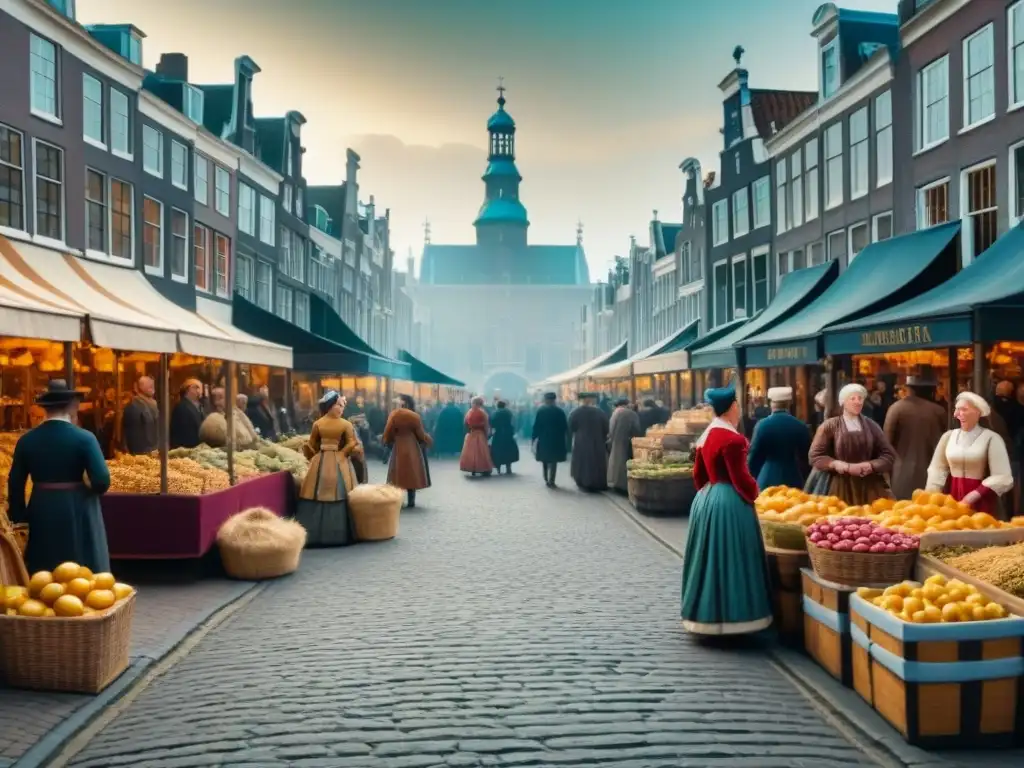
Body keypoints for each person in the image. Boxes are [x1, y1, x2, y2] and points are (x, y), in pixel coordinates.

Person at [681, 385, 772, 638]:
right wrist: (756, 495)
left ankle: (704, 616)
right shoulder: (733, 439)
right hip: (729, 502)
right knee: (736, 555)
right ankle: (738, 618)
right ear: (732, 407)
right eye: (738, 406)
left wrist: (706, 497)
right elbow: (740, 478)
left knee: (706, 556)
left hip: (707, 498)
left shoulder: (707, 435)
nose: (740, 410)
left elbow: (698, 475)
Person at [7, 380, 111, 574]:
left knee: (44, 563)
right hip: (79, 507)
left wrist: (18, 516)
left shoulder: (27, 440)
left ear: (45, 408)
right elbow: (102, 480)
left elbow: (15, 483)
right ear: (72, 407)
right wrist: (88, 490)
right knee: (81, 563)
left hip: (42, 505)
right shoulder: (85, 438)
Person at [926, 391, 1014, 518]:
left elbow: (1003, 476)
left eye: (964, 410)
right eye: (956, 410)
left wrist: (974, 495)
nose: (957, 414)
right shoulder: (948, 436)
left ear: (978, 412)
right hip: (952, 498)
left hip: (982, 500)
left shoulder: (991, 438)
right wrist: (931, 496)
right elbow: (937, 468)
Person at [807, 383, 897, 505]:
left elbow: (888, 454)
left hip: (869, 487)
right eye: (853, 398)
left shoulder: (872, 426)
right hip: (839, 486)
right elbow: (815, 455)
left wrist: (871, 465)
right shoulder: (830, 426)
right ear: (843, 401)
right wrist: (835, 464)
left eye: (860, 399)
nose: (857, 402)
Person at [296, 390, 360, 546]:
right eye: (338, 405)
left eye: (342, 406)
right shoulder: (318, 424)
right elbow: (312, 443)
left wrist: (343, 453)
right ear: (330, 405)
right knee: (321, 490)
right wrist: (311, 453)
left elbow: (352, 442)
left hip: (336, 458)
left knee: (335, 490)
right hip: (324, 458)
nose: (341, 409)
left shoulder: (345, 424)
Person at [883, 374, 948, 500]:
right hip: (932, 473)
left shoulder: (896, 408)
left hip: (901, 473)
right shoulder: (938, 411)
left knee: (902, 512)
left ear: (910, 389)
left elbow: (886, 444)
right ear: (931, 390)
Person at [747, 387, 810, 489]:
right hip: (793, 478)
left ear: (771, 403)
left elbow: (753, 456)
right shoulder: (800, 426)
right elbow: (806, 458)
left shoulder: (762, 425)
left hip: (767, 478)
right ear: (789, 403)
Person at [382, 394, 432, 507]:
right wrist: (427, 440)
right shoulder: (415, 416)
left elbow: (388, 431)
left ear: (402, 403)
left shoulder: (394, 415)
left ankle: (398, 499)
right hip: (412, 446)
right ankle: (411, 500)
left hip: (398, 445)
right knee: (412, 472)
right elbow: (421, 434)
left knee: (398, 472)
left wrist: (387, 440)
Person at [569, 392, 609, 492]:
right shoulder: (600, 412)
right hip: (597, 440)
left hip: (581, 440)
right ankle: (596, 482)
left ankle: (582, 480)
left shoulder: (575, 412)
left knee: (582, 461)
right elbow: (606, 427)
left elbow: (571, 427)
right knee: (596, 462)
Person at [532, 392, 569, 488]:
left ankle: (545, 477)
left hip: (544, 438)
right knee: (554, 460)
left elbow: (537, 425)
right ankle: (551, 480)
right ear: (554, 400)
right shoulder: (560, 411)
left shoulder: (541, 411)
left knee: (545, 458)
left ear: (545, 400)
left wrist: (534, 437)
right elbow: (564, 426)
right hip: (556, 438)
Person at [607, 397, 642, 494]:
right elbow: (636, 429)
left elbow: (611, 428)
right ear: (626, 404)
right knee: (625, 463)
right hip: (627, 441)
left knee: (615, 462)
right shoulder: (631, 414)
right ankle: (624, 485)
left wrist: (611, 438)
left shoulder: (615, 413)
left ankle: (614, 482)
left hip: (616, 441)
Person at [120, 375, 159, 455]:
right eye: (147, 384)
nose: (151, 386)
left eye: (152, 384)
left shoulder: (153, 404)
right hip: (143, 455)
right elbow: (133, 438)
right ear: (138, 387)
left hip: (155, 452)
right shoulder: (133, 407)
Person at [460, 396, 495, 476]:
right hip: (480, 434)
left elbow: (465, 423)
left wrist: (468, 430)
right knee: (481, 452)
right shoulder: (483, 413)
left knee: (471, 452)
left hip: (471, 434)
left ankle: (472, 467)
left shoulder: (469, 412)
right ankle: (483, 467)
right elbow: (486, 425)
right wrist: (487, 434)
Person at [170, 378, 204, 449]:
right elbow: (183, 434)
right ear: (189, 389)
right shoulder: (182, 407)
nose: (200, 391)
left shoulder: (200, 406)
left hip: (198, 448)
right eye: (197, 387)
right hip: (186, 450)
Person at [489, 400, 519, 475]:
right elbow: (514, 422)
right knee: (508, 451)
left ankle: (498, 469)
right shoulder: (509, 412)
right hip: (508, 433)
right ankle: (508, 468)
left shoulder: (494, 413)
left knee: (497, 451)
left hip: (498, 434)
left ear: (497, 405)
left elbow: (492, 423)